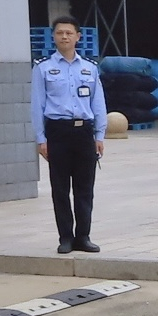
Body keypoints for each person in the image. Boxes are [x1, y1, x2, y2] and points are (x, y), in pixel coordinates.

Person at [30, 18, 107, 254]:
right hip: (58, 132)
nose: (64, 37)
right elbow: (37, 105)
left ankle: (83, 236)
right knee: (60, 188)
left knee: (85, 188)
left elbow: (98, 103)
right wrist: (41, 139)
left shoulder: (90, 68)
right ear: (53, 37)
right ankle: (65, 237)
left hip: (84, 132)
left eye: (69, 33)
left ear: (78, 37)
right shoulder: (42, 67)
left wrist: (99, 135)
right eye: (60, 33)